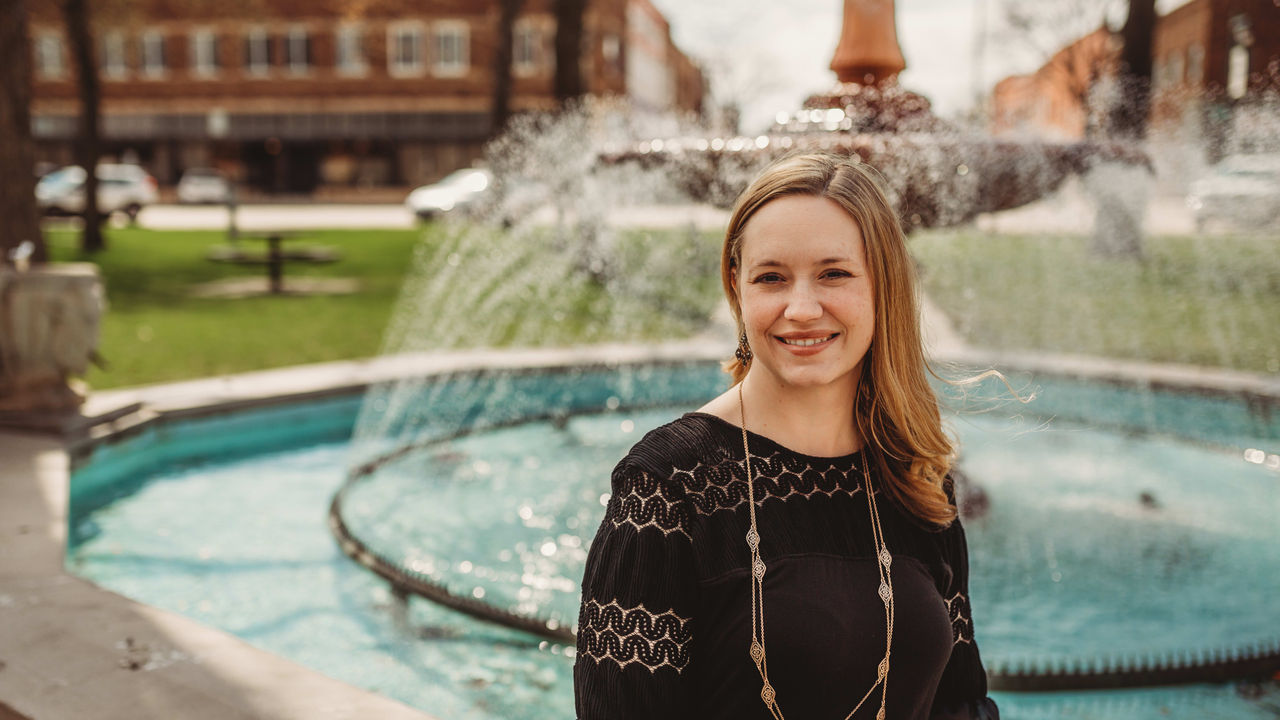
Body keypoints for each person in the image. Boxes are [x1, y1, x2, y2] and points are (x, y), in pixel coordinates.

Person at [574, 153, 999, 719]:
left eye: (834, 273)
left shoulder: (914, 472)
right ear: (737, 287)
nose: (801, 309)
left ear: (883, 285)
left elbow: (961, 702)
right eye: (771, 277)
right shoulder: (669, 487)